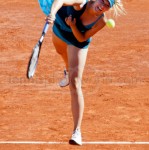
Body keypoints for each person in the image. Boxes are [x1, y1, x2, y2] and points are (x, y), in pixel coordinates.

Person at [38, 0, 125, 145]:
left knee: (75, 83)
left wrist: (72, 25)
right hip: (59, 31)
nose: (102, 6)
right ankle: (68, 72)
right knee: (61, 53)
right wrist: (52, 13)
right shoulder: (80, 2)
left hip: (77, 42)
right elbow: (61, 1)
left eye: (107, 5)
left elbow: (82, 38)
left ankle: (76, 131)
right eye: (102, 1)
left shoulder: (101, 21)